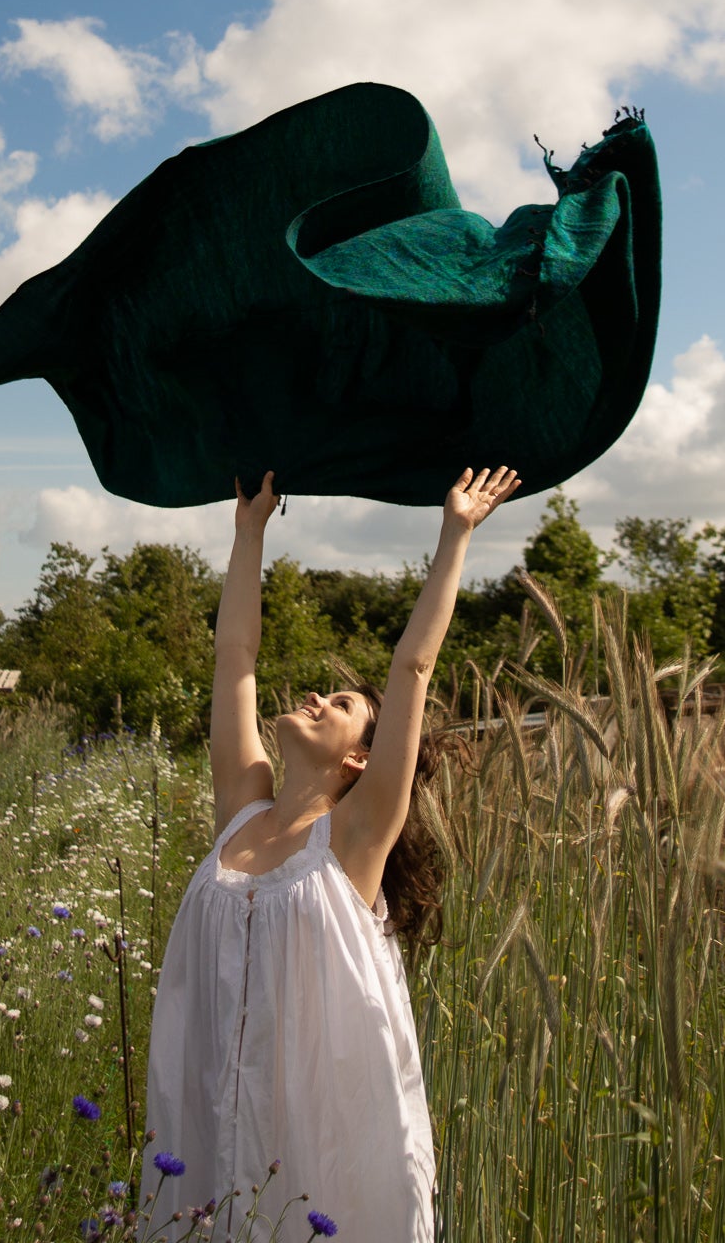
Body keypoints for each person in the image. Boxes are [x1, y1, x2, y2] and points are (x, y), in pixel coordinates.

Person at [143, 462, 521, 1241]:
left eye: (340, 705)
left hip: (313, 1152)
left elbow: (412, 666)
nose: (315, 697)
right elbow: (234, 658)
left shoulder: (350, 842)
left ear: (359, 762)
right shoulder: (238, 813)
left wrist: (455, 532)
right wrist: (249, 531)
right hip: (210, 1134)